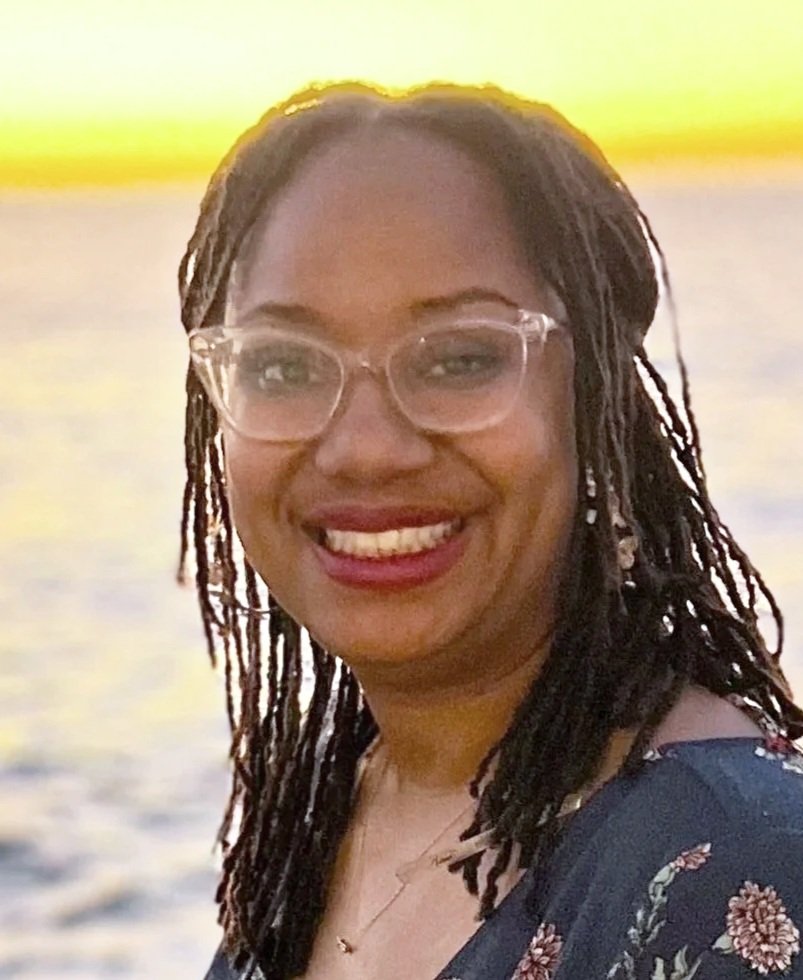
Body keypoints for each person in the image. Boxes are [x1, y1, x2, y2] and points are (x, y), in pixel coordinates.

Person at [176, 82, 803, 980]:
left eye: (460, 357)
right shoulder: (328, 809)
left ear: (593, 401)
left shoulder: (737, 866)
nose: (364, 449)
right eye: (281, 363)